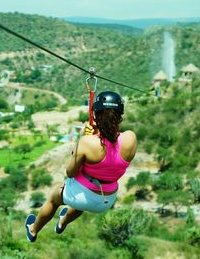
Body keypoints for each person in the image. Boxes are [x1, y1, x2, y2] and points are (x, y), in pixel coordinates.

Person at [25, 91, 137, 242]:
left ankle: (33, 229)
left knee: (53, 200)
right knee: (81, 204)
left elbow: (70, 172)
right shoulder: (131, 138)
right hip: (107, 200)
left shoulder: (87, 142)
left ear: (96, 115)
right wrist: (98, 134)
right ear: (120, 116)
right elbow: (110, 150)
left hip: (82, 196)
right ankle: (63, 222)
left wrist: (86, 138)